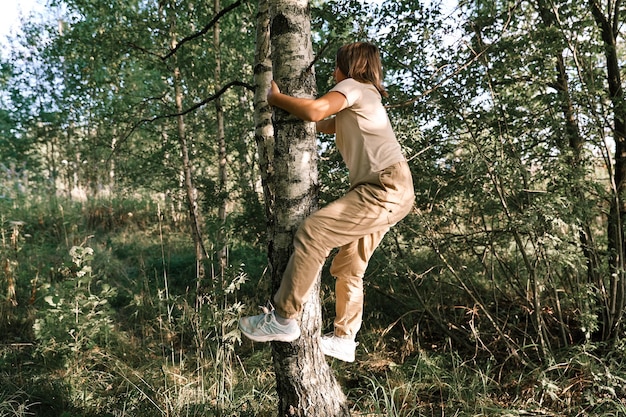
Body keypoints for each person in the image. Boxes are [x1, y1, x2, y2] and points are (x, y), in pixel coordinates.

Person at [239, 42, 414, 362]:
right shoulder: (366, 96)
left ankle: (283, 319)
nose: (333, 73)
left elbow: (316, 111)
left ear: (349, 66)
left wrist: (275, 97)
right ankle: (345, 339)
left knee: (313, 232)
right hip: (393, 189)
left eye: (336, 66)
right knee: (349, 267)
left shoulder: (354, 86)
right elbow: (321, 122)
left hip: (382, 188)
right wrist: (303, 102)